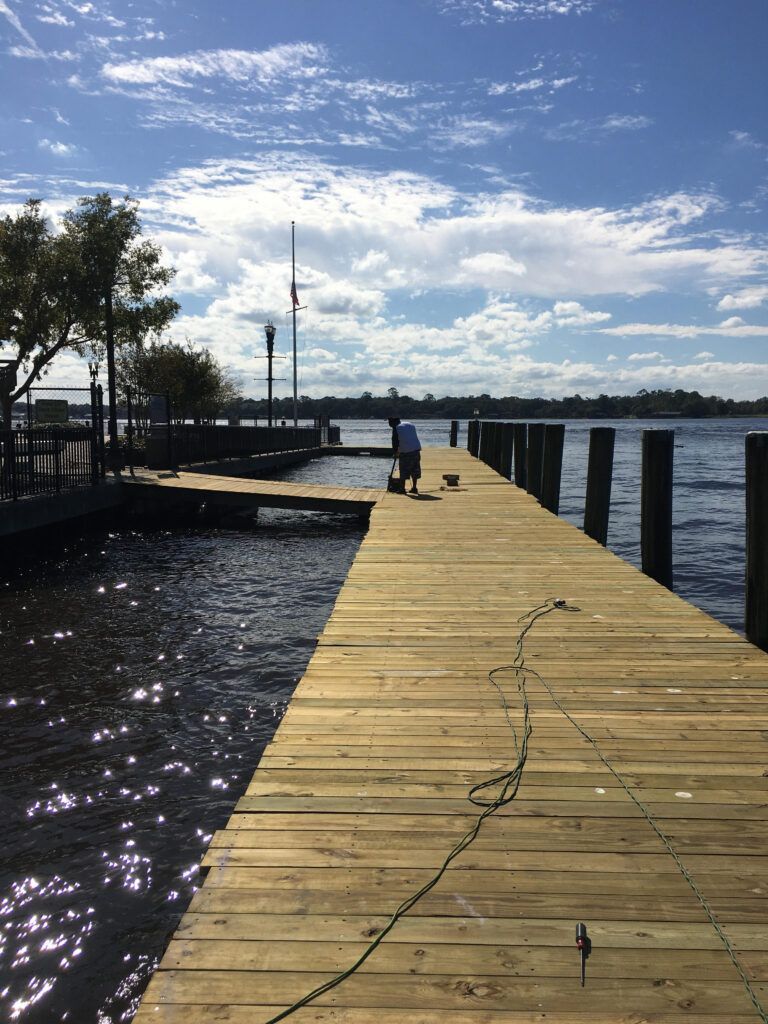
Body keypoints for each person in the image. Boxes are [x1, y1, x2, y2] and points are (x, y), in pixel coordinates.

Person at [388, 416, 421, 494]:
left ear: (393, 423)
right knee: (414, 470)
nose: (389, 425)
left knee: (403, 470)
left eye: (389, 423)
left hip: (406, 452)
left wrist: (395, 452)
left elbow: (395, 442)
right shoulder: (409, 424)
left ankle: (402, 489)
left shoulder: (396, 428)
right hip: (416, 450)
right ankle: (414, 488)